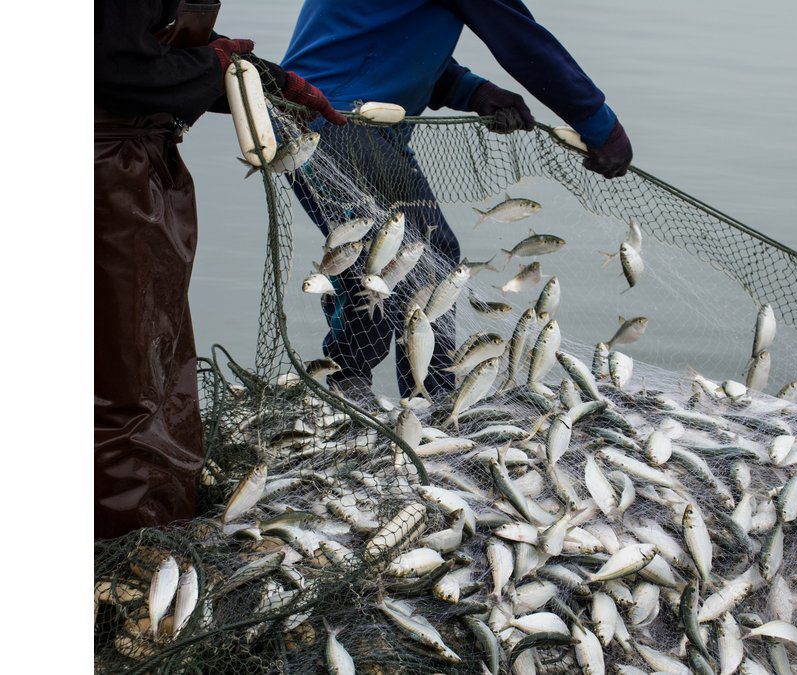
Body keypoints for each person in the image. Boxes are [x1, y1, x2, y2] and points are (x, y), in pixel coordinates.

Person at [281, 0, 634, 404]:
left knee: (414, 256)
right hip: (334, 123)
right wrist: (600, 124)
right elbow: (523, 44)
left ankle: (411, 396)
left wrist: (473, 90)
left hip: (339, 118)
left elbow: (386, 36)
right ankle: (377, 396)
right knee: (397, 260)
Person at [95, 0, 344, 539]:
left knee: (150, 359)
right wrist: (215, 66)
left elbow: (146, 44)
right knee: (123, 377)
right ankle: (130, 542)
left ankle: (154, 518)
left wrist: (266, 80)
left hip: (132, 164)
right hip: (104, 177)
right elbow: (114, 71)